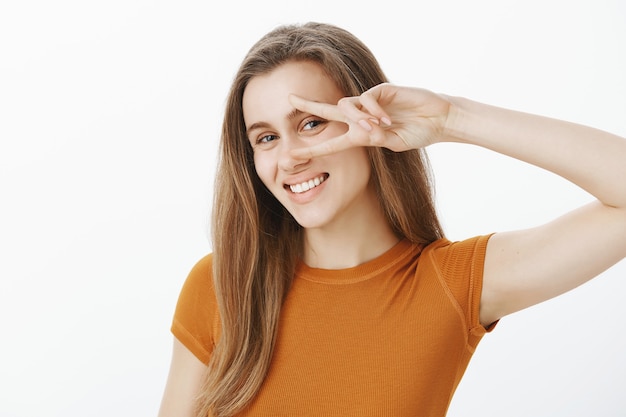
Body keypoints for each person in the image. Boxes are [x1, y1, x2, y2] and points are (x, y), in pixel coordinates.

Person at [157, 22, 626, 417]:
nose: (290, 158)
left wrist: (450, 118)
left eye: (311, 123)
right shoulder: (222, 285)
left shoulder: (452, 284)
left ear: (370, 118)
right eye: (265, 138)